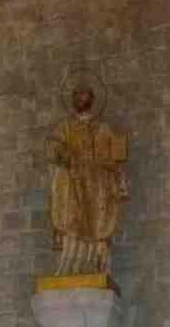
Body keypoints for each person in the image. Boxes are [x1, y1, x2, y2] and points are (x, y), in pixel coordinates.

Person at [47, 83, 129, 276]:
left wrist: (114, 165)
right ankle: (70, 264)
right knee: (72, 221)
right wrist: (63, 154)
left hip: (97, 186)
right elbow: (52, 147)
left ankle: (93, 264)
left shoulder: (103, 128)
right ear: (73, 101)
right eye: (77, 95)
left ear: (92, 100)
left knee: (96, 225)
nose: (81, 99)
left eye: (85, 95)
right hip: (73, 184)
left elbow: (116, 156)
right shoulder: (65, 127)